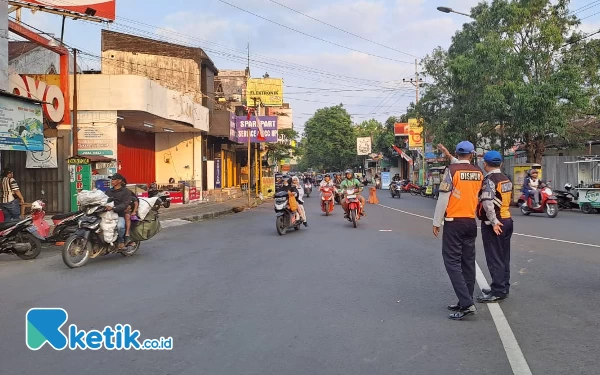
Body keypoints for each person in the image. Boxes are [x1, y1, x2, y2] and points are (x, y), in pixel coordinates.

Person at [432, 141, 483, 320]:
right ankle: (465, 300)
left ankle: (467, 304)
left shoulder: (451, 171)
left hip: (454, 222)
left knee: (452, 262)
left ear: (456, 153)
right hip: (470, 222)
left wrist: (436, 221)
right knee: (467, 263)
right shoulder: (479, 172)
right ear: (472, 154)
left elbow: (444, 196)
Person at [476, 151, 514, 303]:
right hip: (507, 219)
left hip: (496, 224)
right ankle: (503, 286)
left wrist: (493, 221)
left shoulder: (490, 180)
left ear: (485, 164)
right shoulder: (506, 179)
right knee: (504, 256)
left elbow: (487, 203)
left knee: (494, 257)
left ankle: (498, 290)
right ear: (501, 164)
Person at [105, 173, 134, 249]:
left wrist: (114, 208)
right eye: (111, 179)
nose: (112, 181)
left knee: (120, 226)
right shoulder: (108, 191)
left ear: (120, 181)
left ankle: (121, 242)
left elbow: (125, 204)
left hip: (120, 214)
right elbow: (103, 199)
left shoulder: (126, 192)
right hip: (108, 214)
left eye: (114, 179)